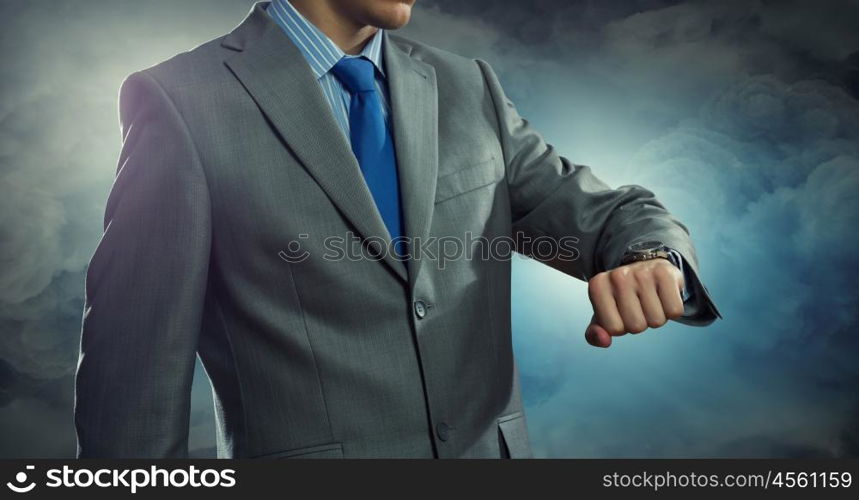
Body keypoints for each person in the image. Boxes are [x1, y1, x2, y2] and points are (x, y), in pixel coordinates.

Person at [75, 0, 720, 459]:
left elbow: (606, 213)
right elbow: (132, 381)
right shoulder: (181, 101)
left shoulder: (468, 86)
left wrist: (652, 257)